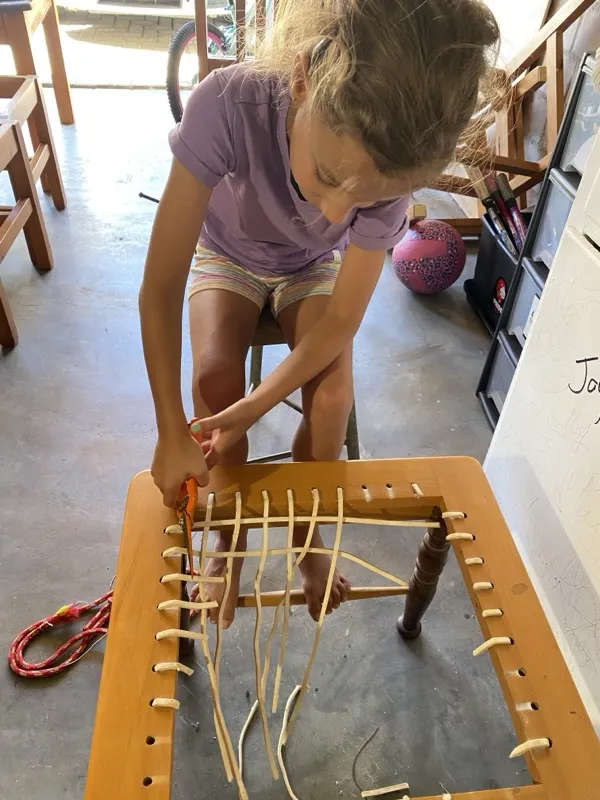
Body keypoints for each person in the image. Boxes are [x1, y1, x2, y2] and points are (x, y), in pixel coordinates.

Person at [139, 0, 501, 627]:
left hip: (310, 268)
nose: (335, 214)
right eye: (328, 176)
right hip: (228, 253)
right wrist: (172, 431)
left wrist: (253, 409)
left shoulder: (385, 165)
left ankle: (308, 540)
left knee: (331, 400)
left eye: (367, 200)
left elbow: (339, 322)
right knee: (214, 380)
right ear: (303, 78)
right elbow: (161, 285)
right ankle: (229, 537)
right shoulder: (226, 104)